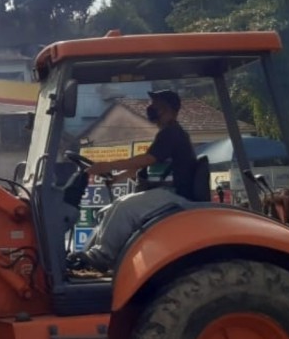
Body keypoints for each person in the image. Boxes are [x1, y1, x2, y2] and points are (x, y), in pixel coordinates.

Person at [71, 89, 200, 274]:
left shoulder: (172, 133)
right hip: (166, 194)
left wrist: (107, 165)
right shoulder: (167, 134)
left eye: (155, 105)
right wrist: (116, 178)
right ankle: (90, 257)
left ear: (167, 108)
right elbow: (144, 166)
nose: (150, 109)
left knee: (125, 208)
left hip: (176, 195)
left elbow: (147, 159)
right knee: (108, 211)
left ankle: (102, 257)